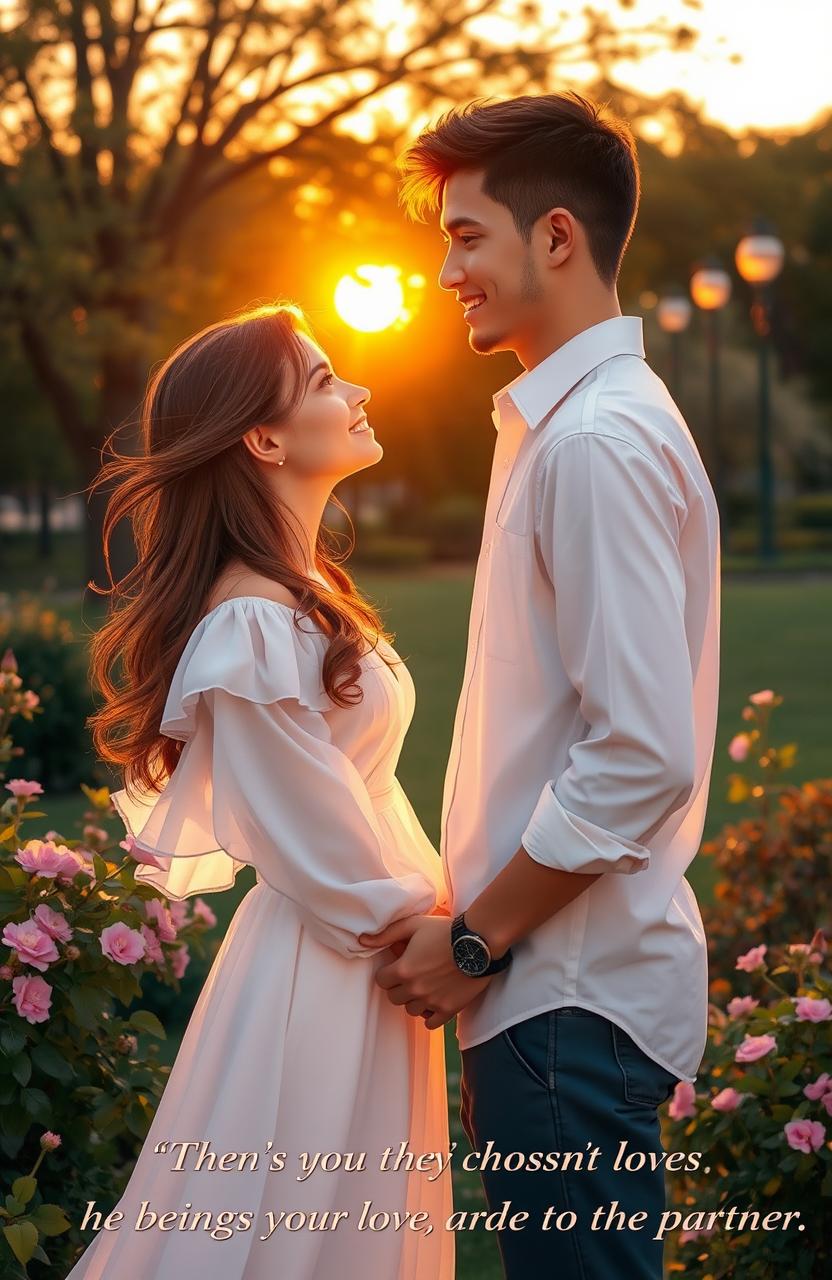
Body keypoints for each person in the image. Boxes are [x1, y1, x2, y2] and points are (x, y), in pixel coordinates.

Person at [360, 91, 721, 1280]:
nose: (445, 269)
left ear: (554, 237)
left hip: (563, 993)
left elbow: (640, 756)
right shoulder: (570, 424)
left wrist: (472, 943)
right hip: (550, 995)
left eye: (467, 235)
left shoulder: (593, 441)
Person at [64, 304, 456, 1280]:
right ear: (265, 436)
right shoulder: (246, 627)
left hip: (365, 961)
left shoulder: (295, 591)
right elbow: (324, 852)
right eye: (327, 379)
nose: (358, 389)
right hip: (327, 969)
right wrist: (466, 944)